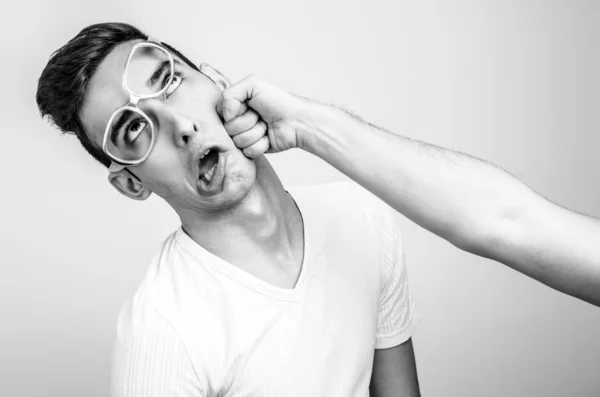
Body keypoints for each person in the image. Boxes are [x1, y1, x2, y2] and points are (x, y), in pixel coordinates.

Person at [36, 23, 421, 396]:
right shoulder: (161, 331)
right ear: (132, 184)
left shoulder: (362, 217)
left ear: (218, 81)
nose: (182, 125)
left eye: (169, 82)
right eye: (134, 130)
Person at [218, 75, 600, 308]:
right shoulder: (166, 311)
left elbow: (508, 221)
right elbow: (508, 220)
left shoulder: (360, 222)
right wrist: (307, 126)